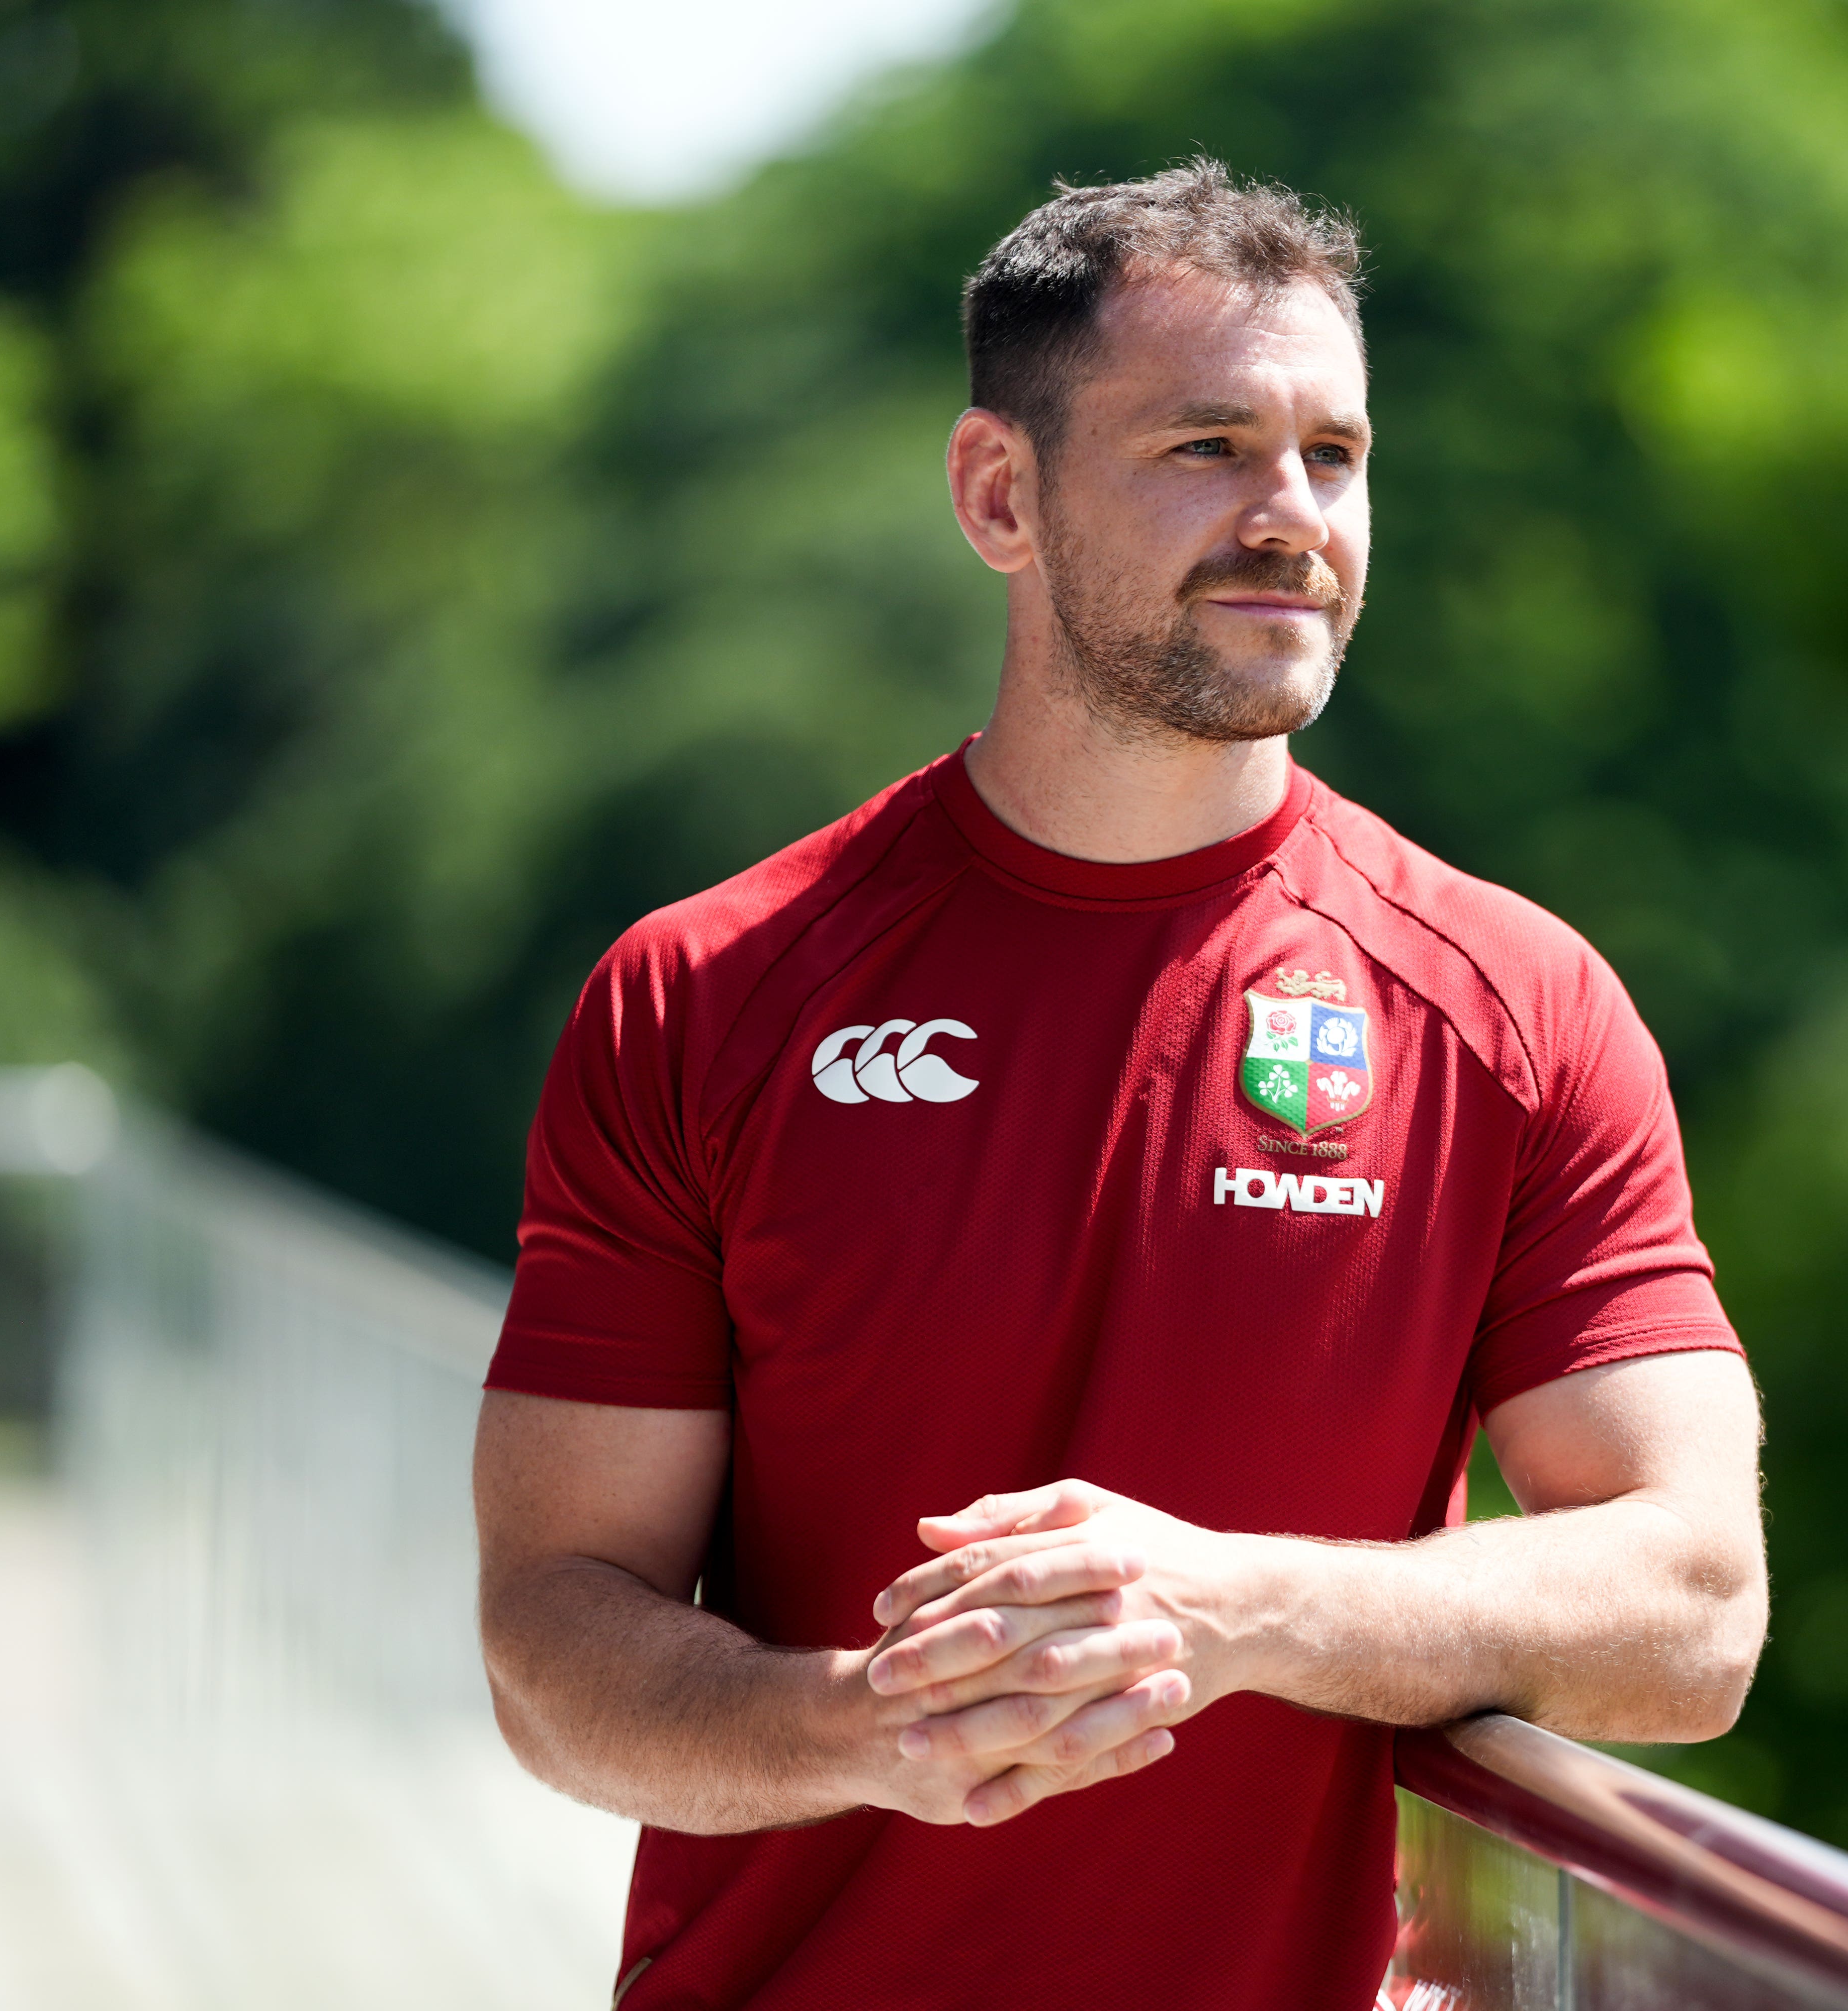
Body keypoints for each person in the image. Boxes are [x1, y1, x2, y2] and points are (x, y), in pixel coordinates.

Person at [473, 159, 1767, 2009]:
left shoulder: (1515, 1008)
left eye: (1337, 453)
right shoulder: (708, 993)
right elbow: (552, 1637)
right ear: (1001, 494)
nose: (1291, 515)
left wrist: (1235, 1608)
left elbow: (1696, 1611)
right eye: (1208, 447)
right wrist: (862, 1731)